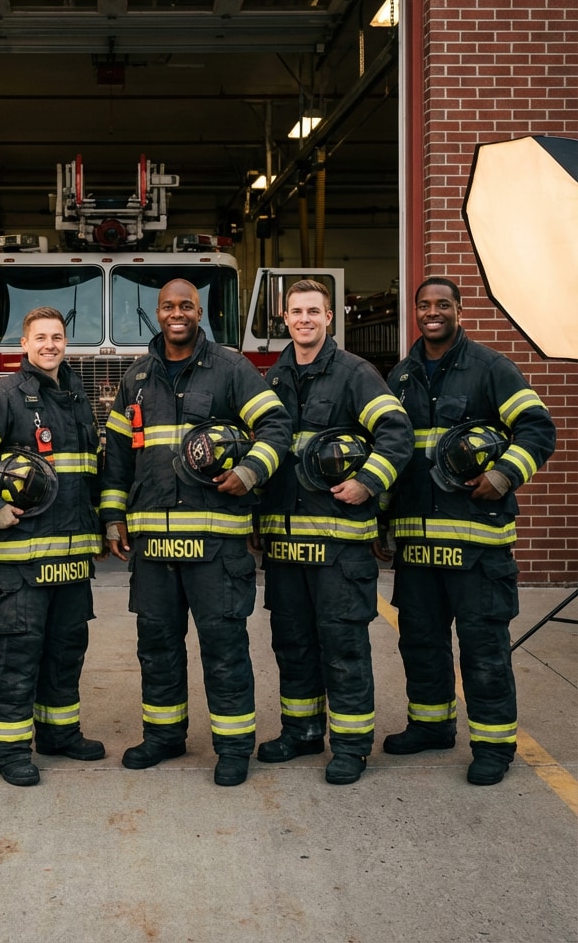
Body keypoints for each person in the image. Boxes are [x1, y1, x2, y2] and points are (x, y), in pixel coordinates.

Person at [102, 279, 292, 787]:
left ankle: (233, 748)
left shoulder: (232, 368)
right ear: (157, 312)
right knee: (157, 645)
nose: (177, 313)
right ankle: (164, 737)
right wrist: (113, 516)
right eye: (168, 306)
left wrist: (250, 471)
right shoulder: (136, 377)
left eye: (186, 305)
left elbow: (276, 426)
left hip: (215, 546)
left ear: (199, 310)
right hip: (153, 546)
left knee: (223, 646)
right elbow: (118, 456)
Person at [374, 276, 556, 785]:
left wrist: (502, 475)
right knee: (421, 642)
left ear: (459, 310)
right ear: (415, 312)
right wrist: (382, 523)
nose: (432, 313)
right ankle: (431, 726)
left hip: (477, 546)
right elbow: (394, 455)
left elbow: (538, 428)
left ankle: (494, 746)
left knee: (482, 647)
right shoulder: (402, 378)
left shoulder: (491, 368)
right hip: (418, 546)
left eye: (442, 305)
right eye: (423, 305)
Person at [257, 279, 414, 785]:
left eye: (313, 311)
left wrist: (369, 482)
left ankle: (350, 746)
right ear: (284, 318)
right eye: (296, 311)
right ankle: (301, 732)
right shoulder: (273, 377)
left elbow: (396, 432)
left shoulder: (355, 374)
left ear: (329, 318)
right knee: (293, 644)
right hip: (285, 548)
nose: (304, 319)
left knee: (343, 645)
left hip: (339, 548)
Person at [0, 306, 105, 787]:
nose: (50, 346)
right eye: (40, 338)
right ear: (25, 344)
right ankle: (11, 749)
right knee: (17, 658)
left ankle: (58, 734)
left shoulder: (77, 397)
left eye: (57, 338)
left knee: (65, 652)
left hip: (71, 562)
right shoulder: (3, 396)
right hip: (20, 565)